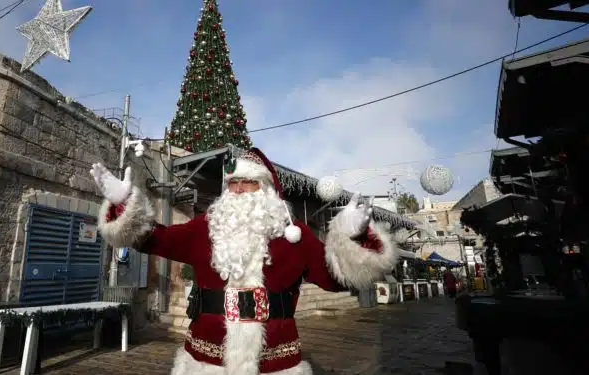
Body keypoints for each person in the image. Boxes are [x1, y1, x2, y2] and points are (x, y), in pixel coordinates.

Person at [91, 147, 402, 375]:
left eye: (247, 182)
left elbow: (337, 279)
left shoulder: (297, 234)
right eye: (232, 183)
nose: (237, 190)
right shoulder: (204, 228)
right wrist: (124, 204)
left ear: (266, 188)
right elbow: (154, 238)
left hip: (275, 363)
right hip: (206, 361)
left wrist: (353, 238)